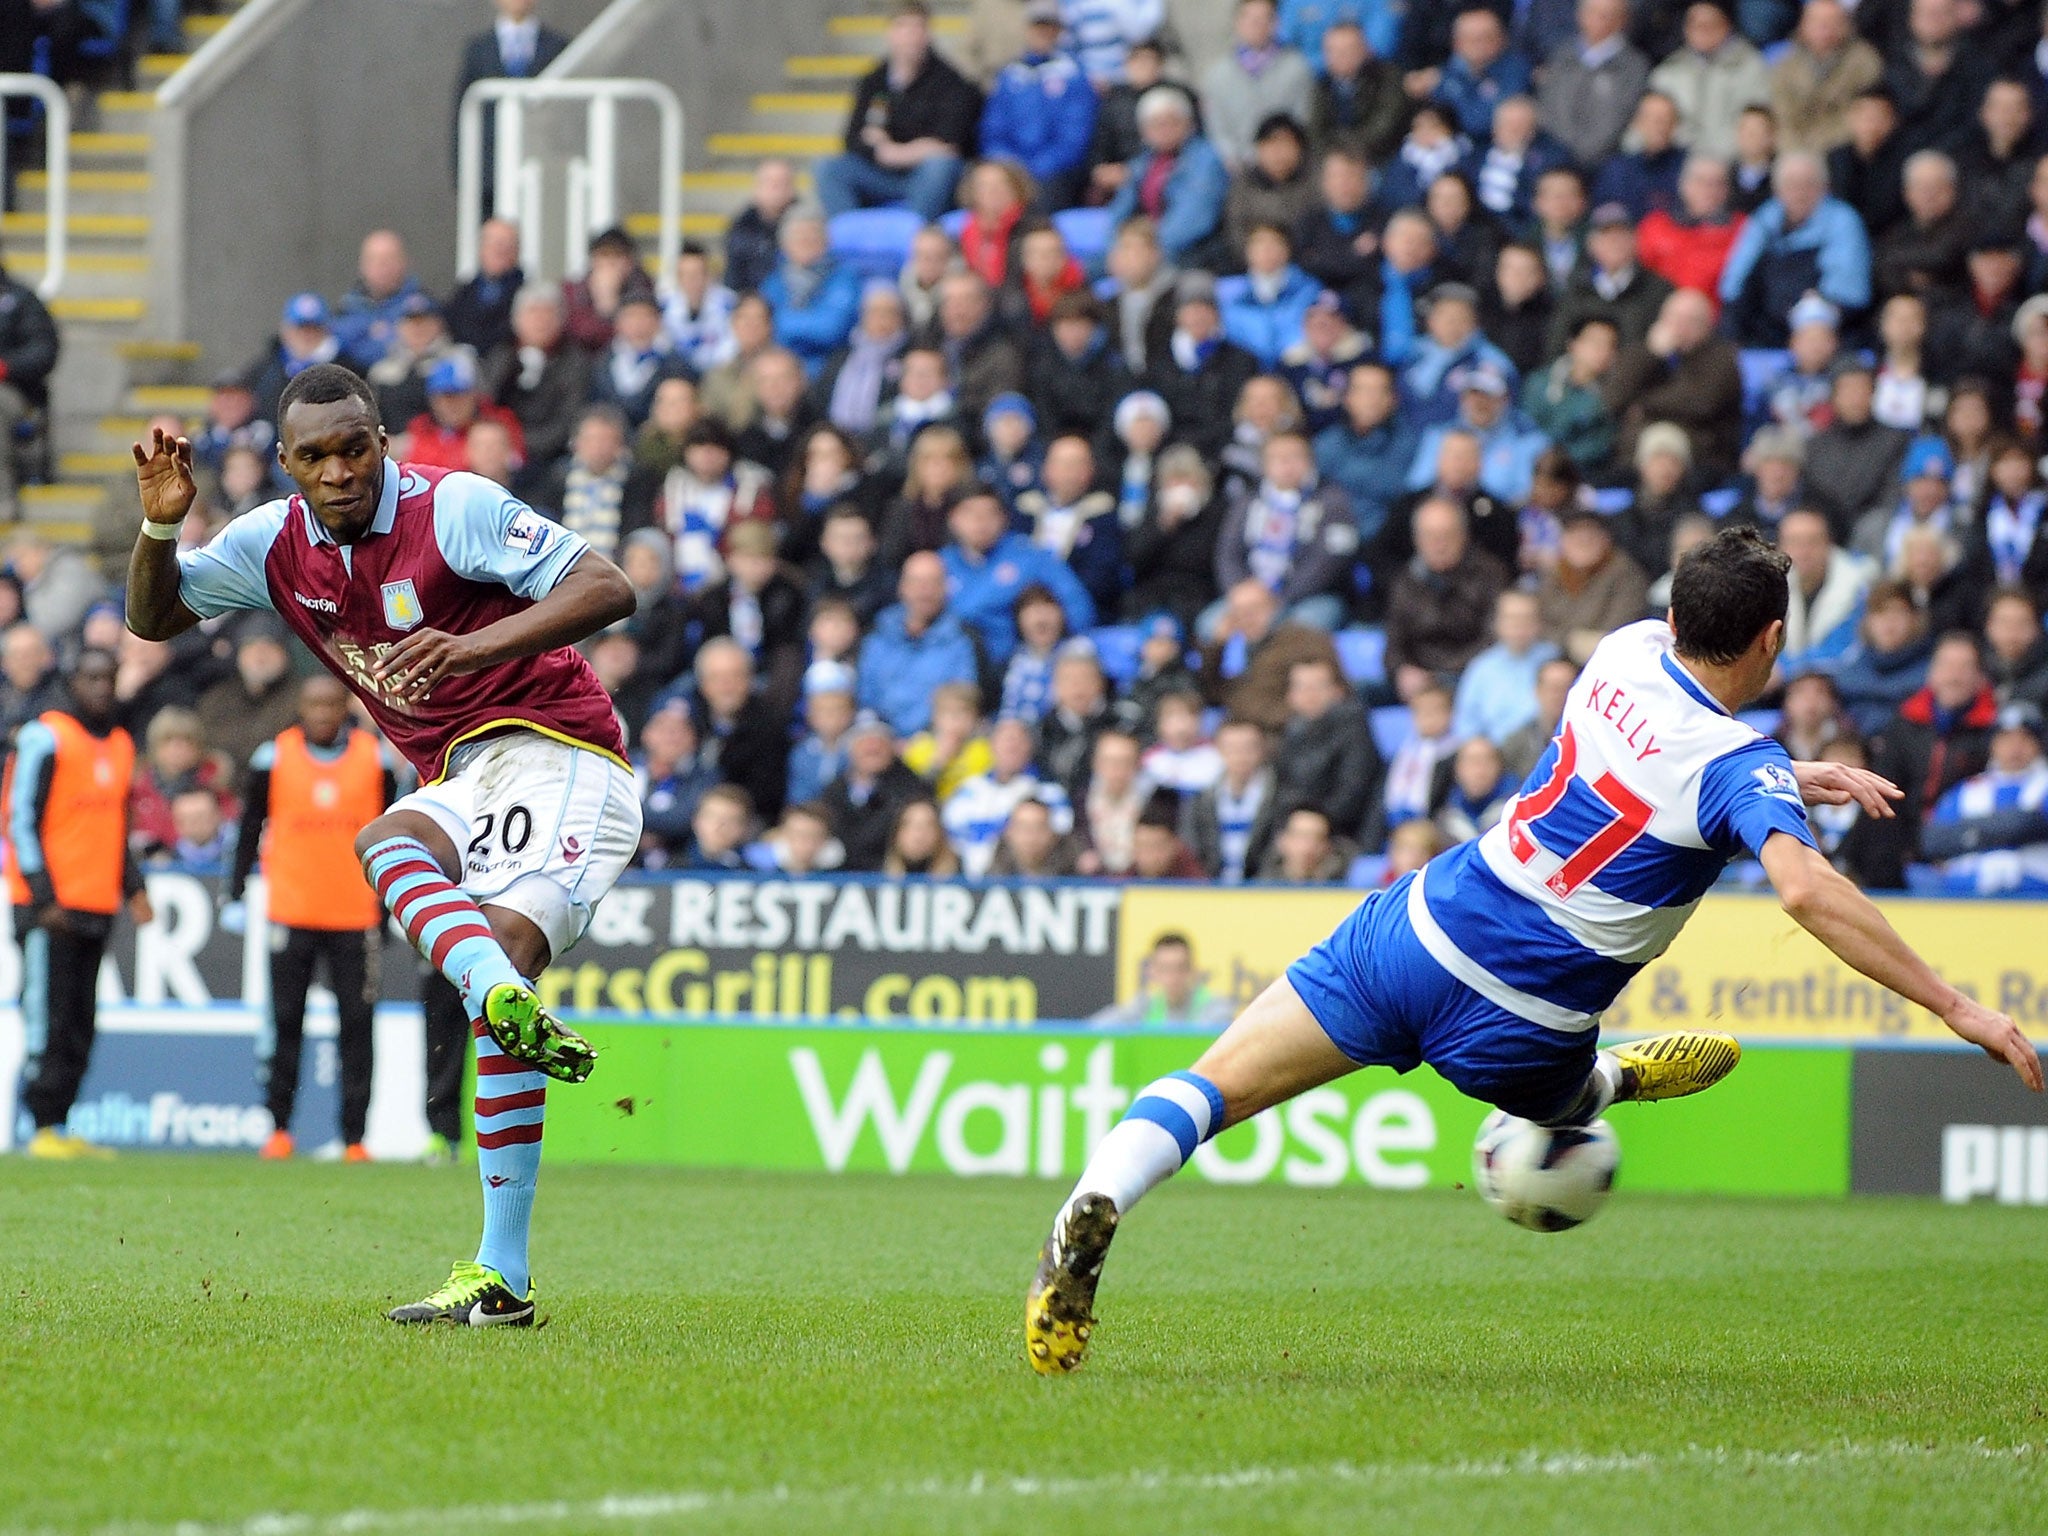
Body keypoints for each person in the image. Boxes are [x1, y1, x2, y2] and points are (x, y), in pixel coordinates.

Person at [1025, 527, 2044, 1374]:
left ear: (1676, 613)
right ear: (1772, 638)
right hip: (1524, 1021)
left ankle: (1096, 1201)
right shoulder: (1740, 766)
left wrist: (1781, 775)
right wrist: (1955, 1006)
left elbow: (1677, 747)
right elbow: (1804, 887)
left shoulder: (1623, 650)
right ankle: (1605, 1083)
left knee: (1211, 1088)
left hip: (1419, 929)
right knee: (1559, 1096)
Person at [128, 364, 643, 1326]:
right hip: (461, 772)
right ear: (285, 464)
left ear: (384, 442)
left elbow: (607, 587)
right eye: (313, 456)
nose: (337, 471)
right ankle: (504, 1277)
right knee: (392, 851)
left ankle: (498, 1019)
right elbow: (152, 619)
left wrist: (478, 647)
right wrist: (162, 526)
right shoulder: (272, 545)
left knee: (492, 947)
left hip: (564, 750)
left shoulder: (455, 509)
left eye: (354, 447)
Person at [222, 674, 397, 1161]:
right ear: (300, 706)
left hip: (354, 914)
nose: (322, 713)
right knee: (284, 1022)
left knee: (357, 1026)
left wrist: (387, 907)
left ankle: (355, 1138)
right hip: (291, 911)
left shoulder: (374, 758)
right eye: (313, 704)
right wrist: (234, 889)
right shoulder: (272, 757)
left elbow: (394, 834)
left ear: (346, 706)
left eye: (331, 704)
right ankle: (278, 1127)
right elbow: (248, 829)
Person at [2, 649, 150, 1159]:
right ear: (71, 681)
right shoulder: (45, 736)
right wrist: (44, 897)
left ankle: (59, 1126)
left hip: (95, 904)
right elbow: (19, 819)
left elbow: (118, 827)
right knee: (49, 1016)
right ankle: (38, 1125)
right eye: (91, 678)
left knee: (82, 1021)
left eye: (108, 678)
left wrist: (134, 888)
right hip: (49, 909)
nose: (101, 688)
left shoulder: (122, 744)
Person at [815, 1, 984, 223]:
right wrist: (902, 149)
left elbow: (950, 141)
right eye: (903, 27)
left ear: (928, 34)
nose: (911, 36)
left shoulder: (952, 82)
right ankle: (851, 238)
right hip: (881, 173)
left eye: (918, 27)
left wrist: (893, 150)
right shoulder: (873, 80)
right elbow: (852, 138)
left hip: (926, 176)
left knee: (940, 166)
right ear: (890, 32)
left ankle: (914, 240)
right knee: (829, 167)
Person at [455, 0, 570, 212]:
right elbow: (464, 115)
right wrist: (464, 175)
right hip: (490, 176)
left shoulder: (557, 46)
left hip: (542, 170)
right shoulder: (478, 49)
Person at [981, 1, 1098, 208]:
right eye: (1037, 26)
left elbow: (1074, 136)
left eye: (1049, 26)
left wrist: (1036, 168)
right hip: (1011, 168)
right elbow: (993, 129)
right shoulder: (1010, 74)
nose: (1043, 32)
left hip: (1056, 171)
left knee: (1044, 195)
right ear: (1027, 29)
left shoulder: (1073, 74)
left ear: (1058, 30)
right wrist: (1008, 166)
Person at [1102, 87, 1231, 266]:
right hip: (1141, 249)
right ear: (1144, 130)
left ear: (1189, 124)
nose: (1165, 130)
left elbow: (1192, 219)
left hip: (1191, 252)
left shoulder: (1206, 160)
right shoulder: (1142, 163)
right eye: (1156, 124)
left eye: (1172, 122)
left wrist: (1147, 251)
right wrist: (1119, 248)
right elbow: (1119, 211)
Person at [1537, 0, 1651, 169]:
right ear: (1580, 15)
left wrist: (1581, 157)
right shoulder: (1562, 55)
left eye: (1608, 14)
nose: (1599, 19)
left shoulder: (1634, 66)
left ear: (1623, 20)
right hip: (1553, 158)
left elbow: (1617, 120)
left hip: (1603, 164)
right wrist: (1558, 152)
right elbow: (1548, 105)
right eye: (1593, 12)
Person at [0, 257, 58, 521]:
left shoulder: (20, 300)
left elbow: (44, 350)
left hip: (15, 394)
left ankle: (3, 500)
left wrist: (6, 367)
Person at [1095, 932, 1235, 1025]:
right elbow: (1093, 1028)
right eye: (1164, 969)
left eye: (1180, 968)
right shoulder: (1144, 1006)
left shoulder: (1216, 1007)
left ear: (1193, 971)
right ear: (1152, 972)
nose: (1172, 978)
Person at [725, 159, 799, 296]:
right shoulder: (741, 228)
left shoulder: (807, 225)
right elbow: (734, 278)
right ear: (757, 188)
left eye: (783, 183)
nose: (776, 189)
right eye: (770, 183)